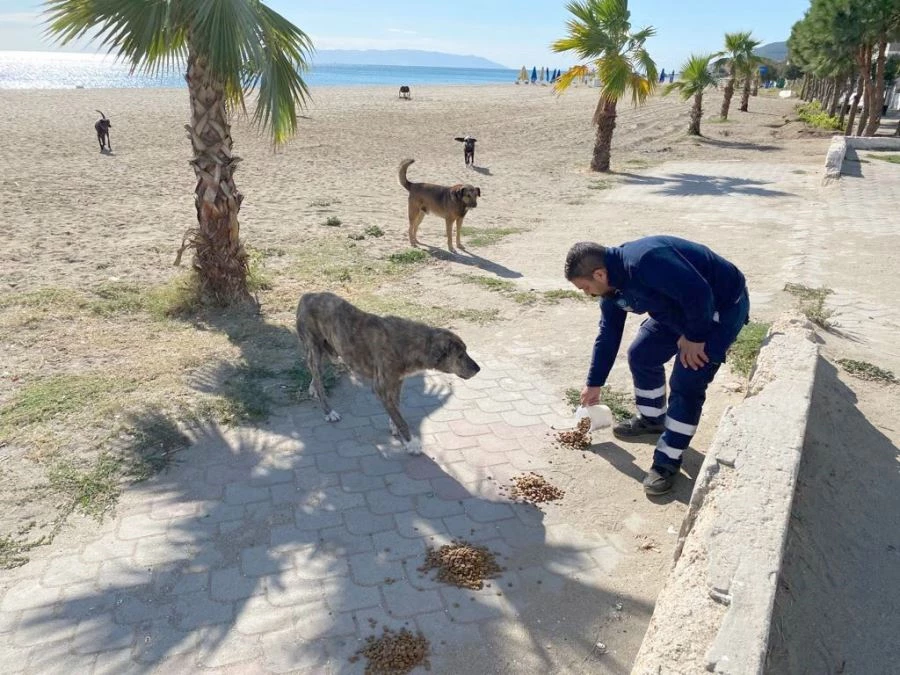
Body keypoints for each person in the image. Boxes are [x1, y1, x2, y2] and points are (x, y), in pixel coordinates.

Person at [564, 237, 749, 495]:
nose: (587, 294)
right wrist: (594, 383)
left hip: (719, 307)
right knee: (642, 354)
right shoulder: (612, 288)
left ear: (599, 274)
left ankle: (667, 461)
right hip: (678, 309)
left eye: (585, 287)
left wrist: (695, 337)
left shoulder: (646, 261)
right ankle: (652, 419)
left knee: (687, 380)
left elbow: (699, 293)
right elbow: (608, 333)